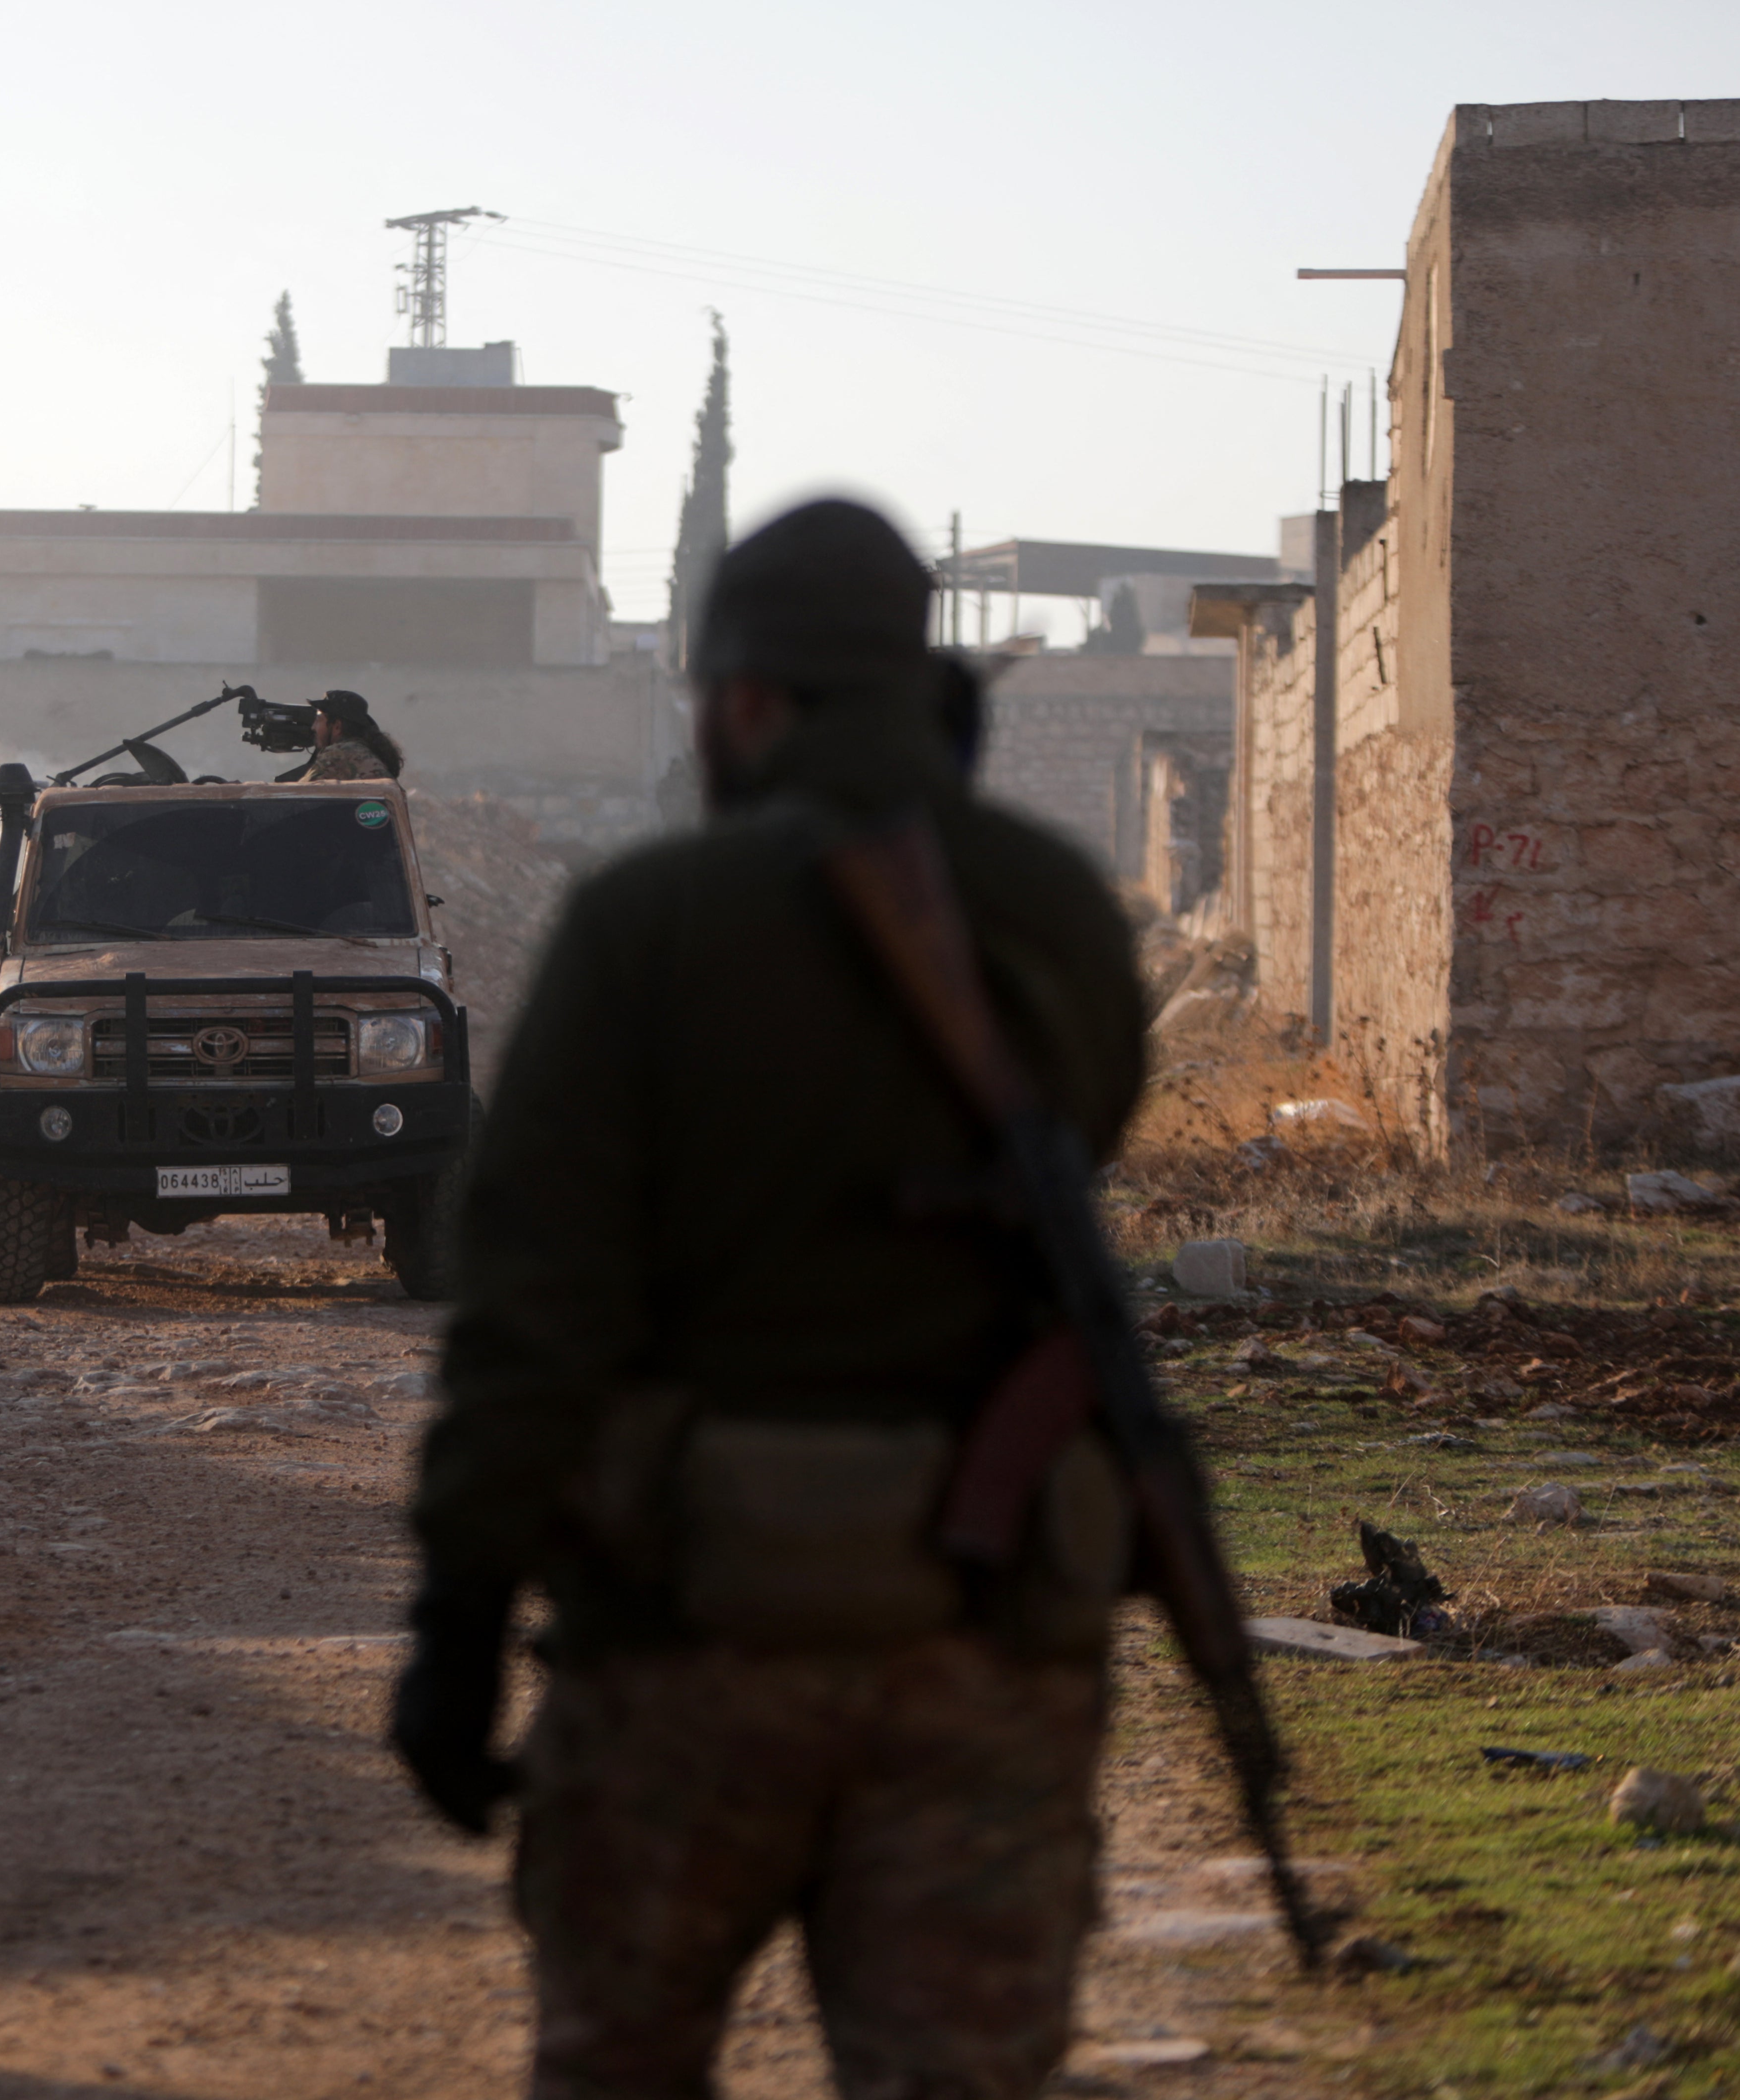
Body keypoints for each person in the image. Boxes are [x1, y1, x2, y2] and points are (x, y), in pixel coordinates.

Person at [389, 499, 1148, 2099]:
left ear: (743, 701)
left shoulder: (643, 925)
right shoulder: (1060, 915)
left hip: (685, 1648)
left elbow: (529, 1318)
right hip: (981, 1639)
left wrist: (459, 1628)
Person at [285, 689, 402, 781]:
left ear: (337, 726)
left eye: (319, 720)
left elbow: (299, 794)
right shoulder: (365, 751)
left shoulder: (339, 753)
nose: (313, 727)